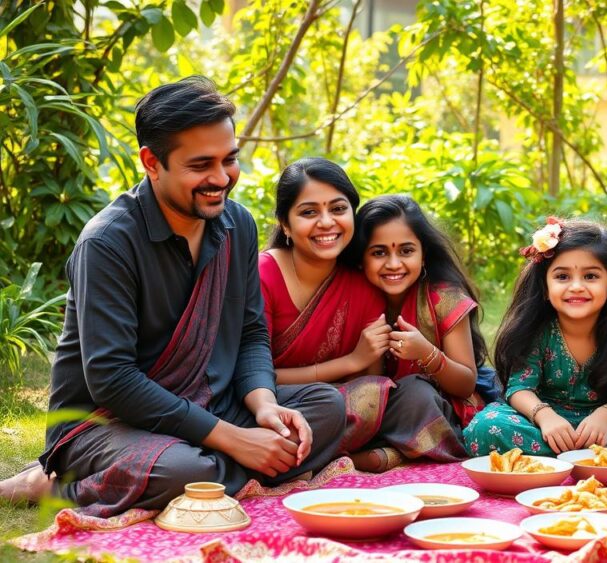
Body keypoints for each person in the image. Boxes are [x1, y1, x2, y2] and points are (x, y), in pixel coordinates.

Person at [0, 77, 347, 516]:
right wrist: (231, 438)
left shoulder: (237, 226)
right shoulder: (107, 244)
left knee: (326, 408)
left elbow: (251, 333)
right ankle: (53, 488)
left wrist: (264, 406)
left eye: (230, 160)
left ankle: (206, 472)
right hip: (109, 423)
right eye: (201, 165)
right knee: (182, 470)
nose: (221, 178)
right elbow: (113, 379)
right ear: (151, 162)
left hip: (214, 405)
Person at [463, 219, 607, 456]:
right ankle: (586, 457)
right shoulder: (537, 330)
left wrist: (604, 416)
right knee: (486, 427)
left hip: (605, 427)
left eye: (591, 276)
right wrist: (544, 417)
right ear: (545, 287)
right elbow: (519, 388)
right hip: (541, 422)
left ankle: (555, 457)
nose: (576, 286)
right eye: (562, 277)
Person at [258, 157, 396, 473]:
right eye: (309, 212)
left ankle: (318, 456)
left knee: (401, 394)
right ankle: (321, 458)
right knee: (325, 404)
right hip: (271, 407)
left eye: (337, 209)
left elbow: (369, 382)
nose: (326, 222)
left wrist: (361, 365)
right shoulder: (262, 274)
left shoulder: (361, 285)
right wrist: (349, 362)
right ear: (285, 224)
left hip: (336, 407)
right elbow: (250, 377)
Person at [348, 194, 487, 469]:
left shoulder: (444, 298)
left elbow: (466, 383)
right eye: (379, 252)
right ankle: (398, 452)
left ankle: (397, 453)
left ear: (424, 255)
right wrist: (368, 355)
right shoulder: (354, 299)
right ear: (361, 259)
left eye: (406, 251)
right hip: (381, 410)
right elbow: (367, 385)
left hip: (435, 409)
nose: (393, 263)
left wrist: (427, 353)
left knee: (415, 392)